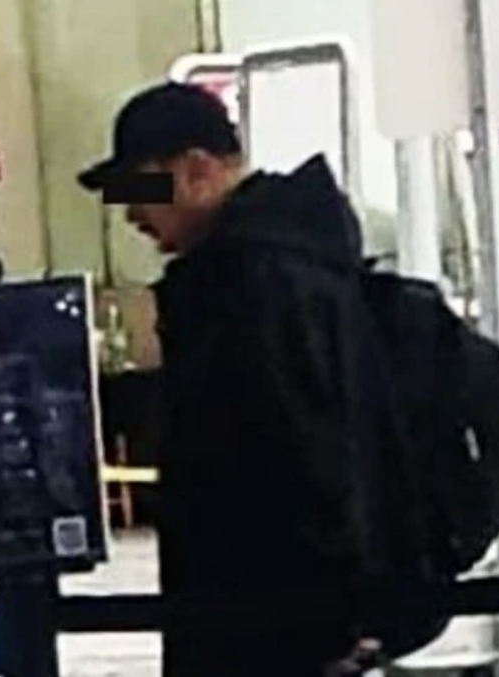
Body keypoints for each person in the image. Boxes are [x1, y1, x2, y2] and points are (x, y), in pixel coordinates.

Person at [78, 82, 395, 677]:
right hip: (276, 623)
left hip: (265, 629)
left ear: (197, 169)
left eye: (141, 187)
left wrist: (319, 627)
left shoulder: (249, 285)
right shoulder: (293, 264)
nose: (131, 214)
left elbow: (302, 457)